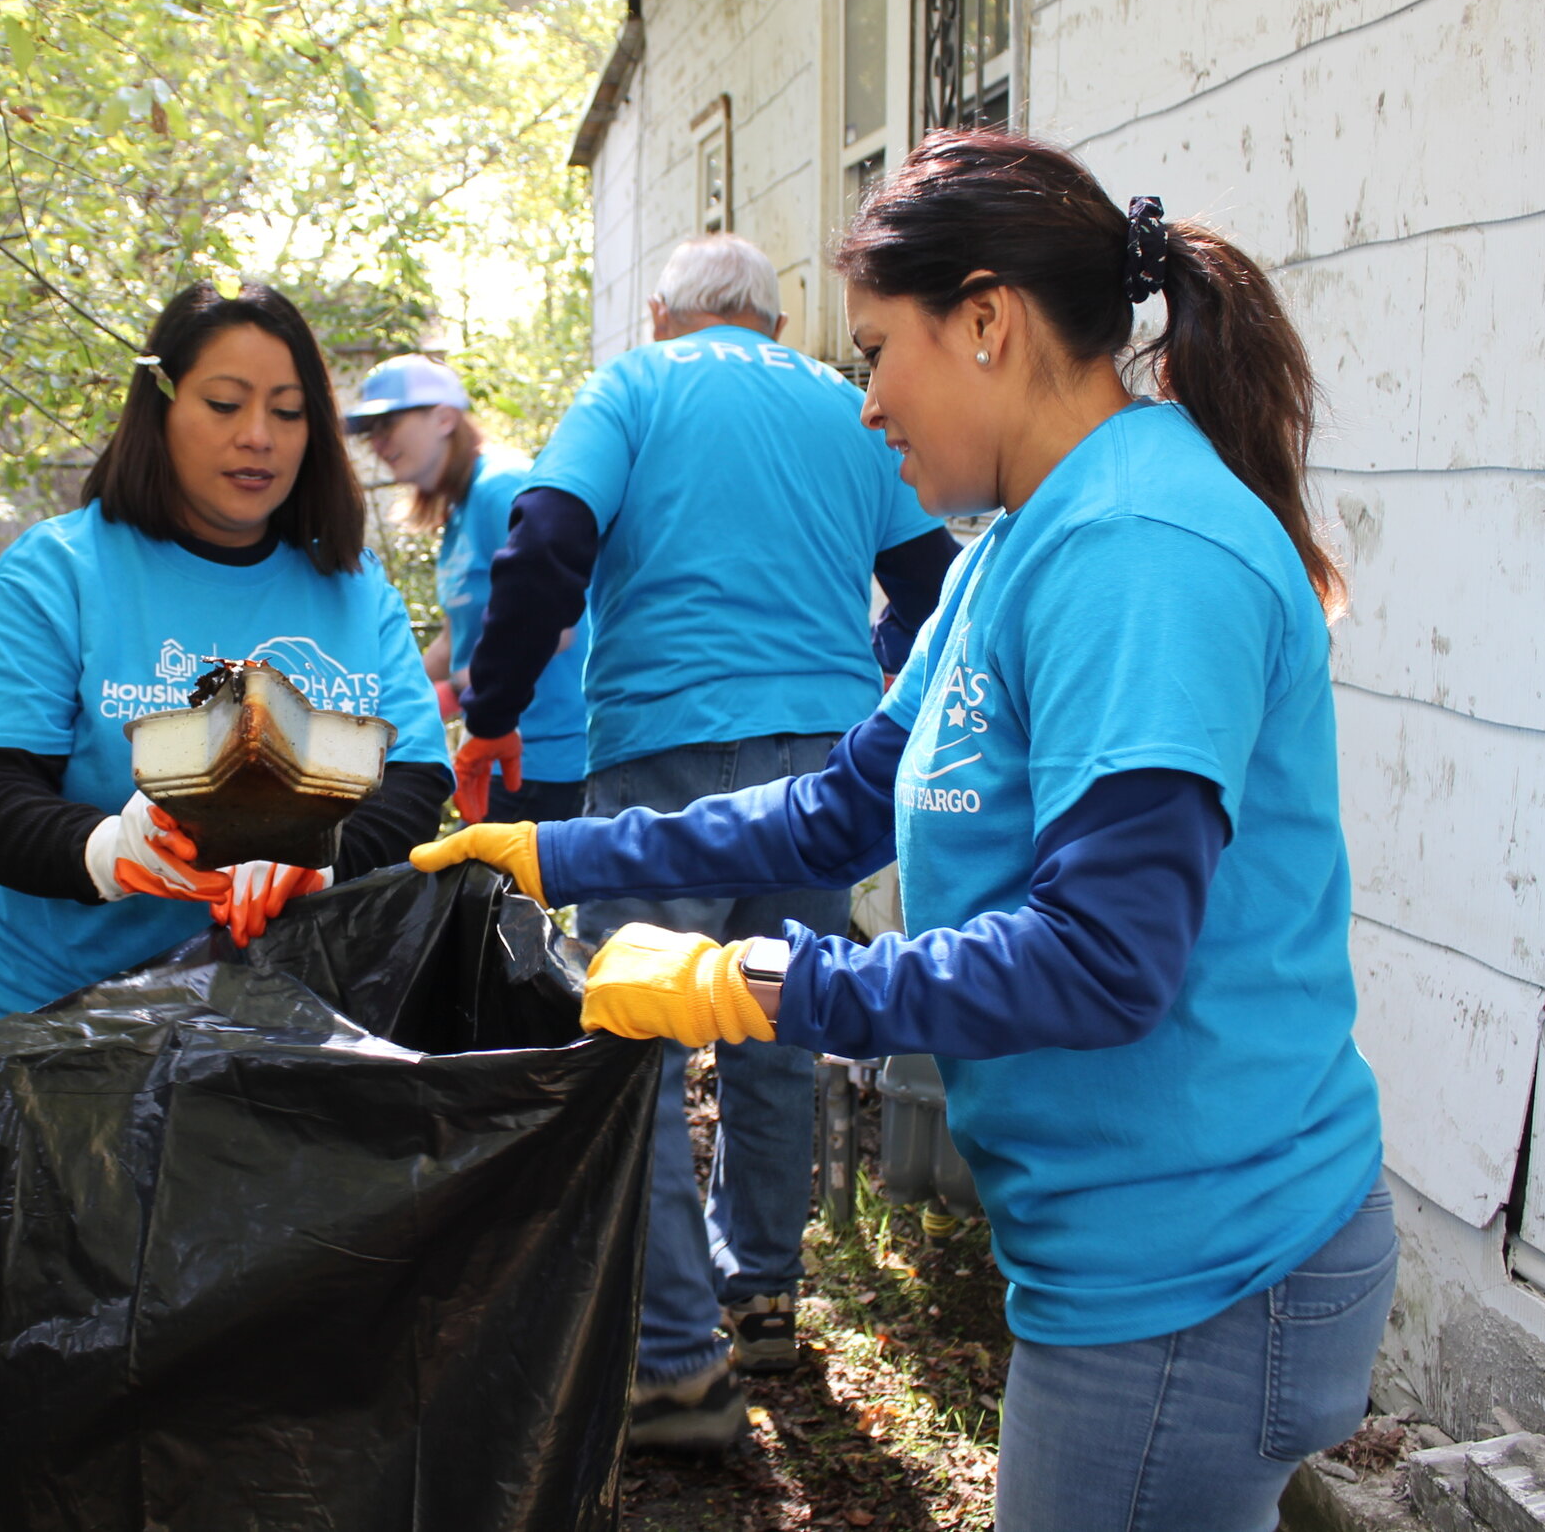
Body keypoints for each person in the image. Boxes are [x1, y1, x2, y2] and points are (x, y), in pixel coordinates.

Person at [415, 131, 1392, 1532]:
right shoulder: (1015, 539)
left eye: (878, 350)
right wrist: (556, 851)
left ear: (986, 320)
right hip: (1121, 1249)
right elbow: (839, 803)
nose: (865, 402)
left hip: (1199, 1264)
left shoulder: (1141, 552)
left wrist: (760, 984)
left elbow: (1104, 957)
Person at [0, 281, 454, 1532]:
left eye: (285, 409)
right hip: (56, 1037)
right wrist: (110, 848)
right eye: (224, 402)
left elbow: (416, 780)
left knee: (226, 1332)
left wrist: (323, 854)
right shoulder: (60, 571)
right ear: (159, 407)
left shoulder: (343, 585)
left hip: (257, 1029)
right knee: (40, 1335)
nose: (257, 436)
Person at [451, 231, 958, 1448]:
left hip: (659, 766)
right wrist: (881, 688)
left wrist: (495, 711)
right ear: (775, 325)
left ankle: (675, 1360)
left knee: (633, 1036)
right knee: (776, 1025)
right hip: (820, 775)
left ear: (662, 312)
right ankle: (762, 1292)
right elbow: (933, 579)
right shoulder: (847, 404)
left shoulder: (633, 385)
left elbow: (545, 543)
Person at [347, 352, 592, 824]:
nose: (377, 442)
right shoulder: (462, 508)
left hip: (544, 755)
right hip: (502, 743)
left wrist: (455, 692)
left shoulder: (502, 487)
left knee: (478, 893)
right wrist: (384, 706)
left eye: (389, 424)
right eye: (369, 431)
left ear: (444, 418)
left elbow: (555, 625)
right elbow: (456, 637)